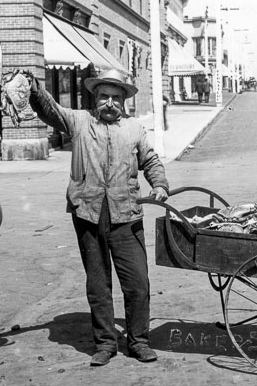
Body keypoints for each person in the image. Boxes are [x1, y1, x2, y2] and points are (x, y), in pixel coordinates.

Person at [20, 68, 169, 366]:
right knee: (98, 284)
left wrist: (160, 184)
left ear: (124, 100)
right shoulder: (79, 122)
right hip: (88, 215)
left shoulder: (134, 129)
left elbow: (150, 160)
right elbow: (50, 110)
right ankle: (105, 343)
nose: (109, 103)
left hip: (126, 214)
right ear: (95, 97)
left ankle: (139, 342)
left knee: (137, 283)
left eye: (115, 97)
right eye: (103, 96)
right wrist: (33, 87)